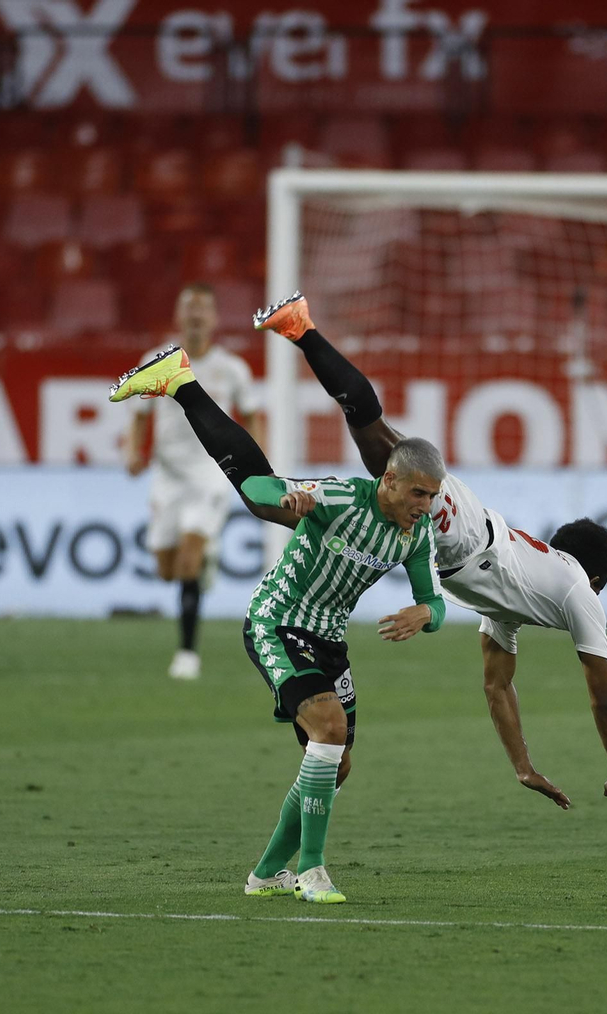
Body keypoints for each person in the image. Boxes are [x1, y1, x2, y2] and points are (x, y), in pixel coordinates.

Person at [253, 293, 607, 821]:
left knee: (378, 442)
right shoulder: (580, 590)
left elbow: (497, 685)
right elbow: (606, 699)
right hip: (463, 533)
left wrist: (523, 766)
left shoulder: (519, 598)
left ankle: (298, 336)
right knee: (378, 440)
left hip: (467, 538)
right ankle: (301, 328)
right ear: (597, 577)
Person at [109, 347, 446, 904]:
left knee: (335, 765)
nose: (425, 505)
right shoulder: (341, 497)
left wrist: (425, 613)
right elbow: (263, 492)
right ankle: (311, 870)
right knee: (329, 730)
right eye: (418, 493)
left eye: (432, 497)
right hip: (279, 620)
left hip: (329, 639)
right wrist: (287, 496)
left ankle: (267, 873)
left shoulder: (414, 534)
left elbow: (435, 601)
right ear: (389, 480)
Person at [123, 283, 262, 681]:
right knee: (166, 569)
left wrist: (258, 460)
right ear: (178, 317)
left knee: (187, 559)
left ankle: (186, 653)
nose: (196, 316)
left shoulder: (232, 368)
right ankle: (208, 559)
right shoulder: (155, 360)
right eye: (189, 309)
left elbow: (252, 416)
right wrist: (133, 453)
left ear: (215, 319)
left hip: (210, 474)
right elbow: (138, 417)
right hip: (167, 475)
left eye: (203, 309)